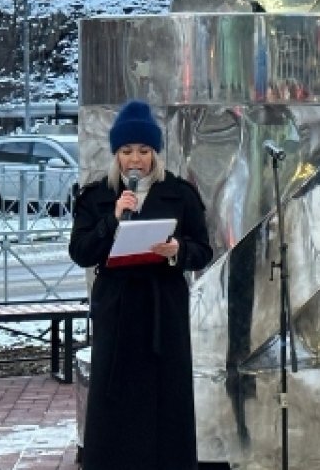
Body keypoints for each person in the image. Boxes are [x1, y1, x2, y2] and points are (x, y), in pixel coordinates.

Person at [68, 100, 213, 470]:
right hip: (117, 309)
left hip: (163, 308)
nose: (136, 160)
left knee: (165, 398)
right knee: (115, 399)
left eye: (144, 151)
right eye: (127, 151)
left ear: (155, 154)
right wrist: (111, 222)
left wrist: (177, 251)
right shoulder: (97, 195)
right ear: (116, 154)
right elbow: (81, 252)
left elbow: (203, 250)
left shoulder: (179, 193)